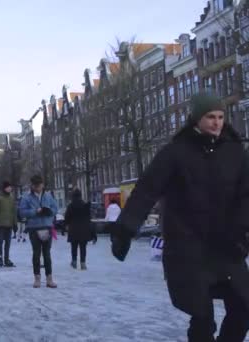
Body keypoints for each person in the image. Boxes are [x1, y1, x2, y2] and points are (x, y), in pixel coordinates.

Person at [110, 93, 249, 342]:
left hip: (227, 246)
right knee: (202, 317)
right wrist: (126, 228)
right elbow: (146, 190)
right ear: (196, 119)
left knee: (243, 307)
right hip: (188, 249)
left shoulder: (236, 152)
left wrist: (242, 232)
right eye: (210, 117)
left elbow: (246, 195)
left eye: (220, 117)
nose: (217, 123)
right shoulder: (175, 153)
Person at [18, 175, 58, 289]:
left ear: (42, 184)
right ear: (32, 185)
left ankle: (49, 279)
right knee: (36, 253)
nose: (38, 187)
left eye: (40, 185)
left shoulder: (48, 196)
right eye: (36, 185)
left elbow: (55, 208)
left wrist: (49, 212)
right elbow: (22, 212)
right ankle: (37, 278)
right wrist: (35, 211)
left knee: (47, 253)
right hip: (34, 228)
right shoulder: (26, 198)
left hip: (47, 226)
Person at [64, 189, 95, 270]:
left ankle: (74, 261)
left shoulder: (70, 206)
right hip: (83, 229)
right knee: (83, 247)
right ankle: (83, 263)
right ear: (80, 195)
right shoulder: (85, 205)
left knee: (74, 247)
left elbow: (67, 217)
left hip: (73, 229)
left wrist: (66, 225)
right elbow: (89, 218)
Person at [0, 181, 17, 267]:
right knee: (0, 242)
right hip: (0, 224)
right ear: (5, 188)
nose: (10, 188)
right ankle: (0, 258)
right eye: (9, 187)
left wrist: (15, 223)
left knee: (8, 243)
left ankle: (6, 259)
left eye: (11, 187)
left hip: (9, 224)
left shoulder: (11, 198)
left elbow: (13, 212)